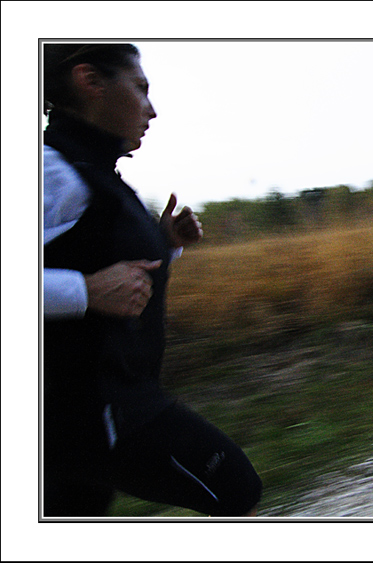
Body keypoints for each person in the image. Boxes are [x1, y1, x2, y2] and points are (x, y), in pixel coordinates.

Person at [42, 43, 262, 517]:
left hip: (95, 413)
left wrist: (166, 243)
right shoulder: (50, 170)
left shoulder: (95, 172)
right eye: (140, 88)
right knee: (237, 489)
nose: (152, 109)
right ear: (90, 81)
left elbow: (98, 260)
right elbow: (93, 283)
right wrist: (85, 291)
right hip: (97, 413)